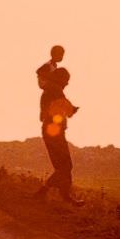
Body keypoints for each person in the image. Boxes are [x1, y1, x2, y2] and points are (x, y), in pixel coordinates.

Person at [35, 67, 83, 205]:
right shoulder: (55, 90)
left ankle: (54, 194)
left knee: (62, 166)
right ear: (61, 79)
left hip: (50, 130)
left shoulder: (49, 90)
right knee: (65, 166)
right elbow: (68, 109)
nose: (67, 84)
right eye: (66, 81)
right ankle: (61, 196)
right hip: (54, 132)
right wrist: (73, 109)